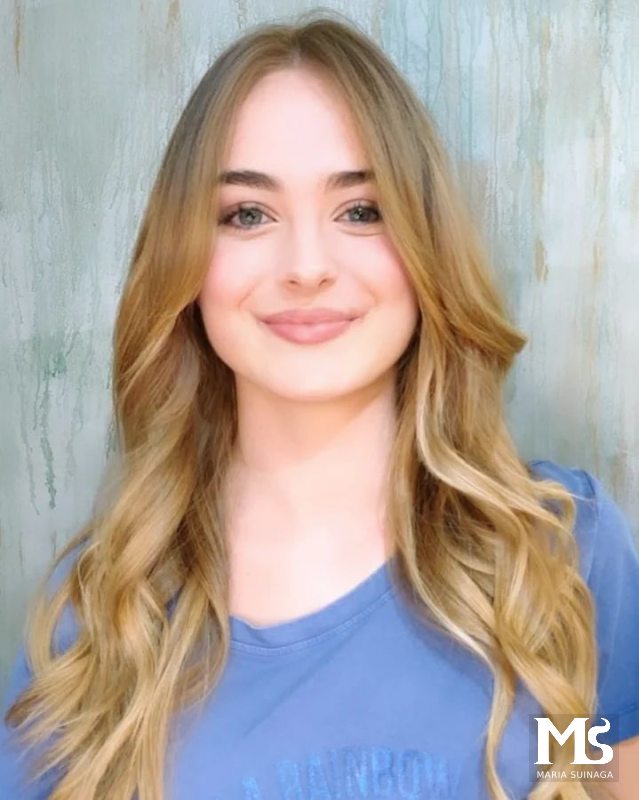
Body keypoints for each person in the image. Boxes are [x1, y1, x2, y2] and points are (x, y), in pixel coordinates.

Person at [1, 10, 638, 800]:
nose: (306, 266)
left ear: (425, 246)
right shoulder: (102, 614)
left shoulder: (557, 558)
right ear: (185, 263)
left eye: (360, 210)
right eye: (247, 214)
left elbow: (588, 778)